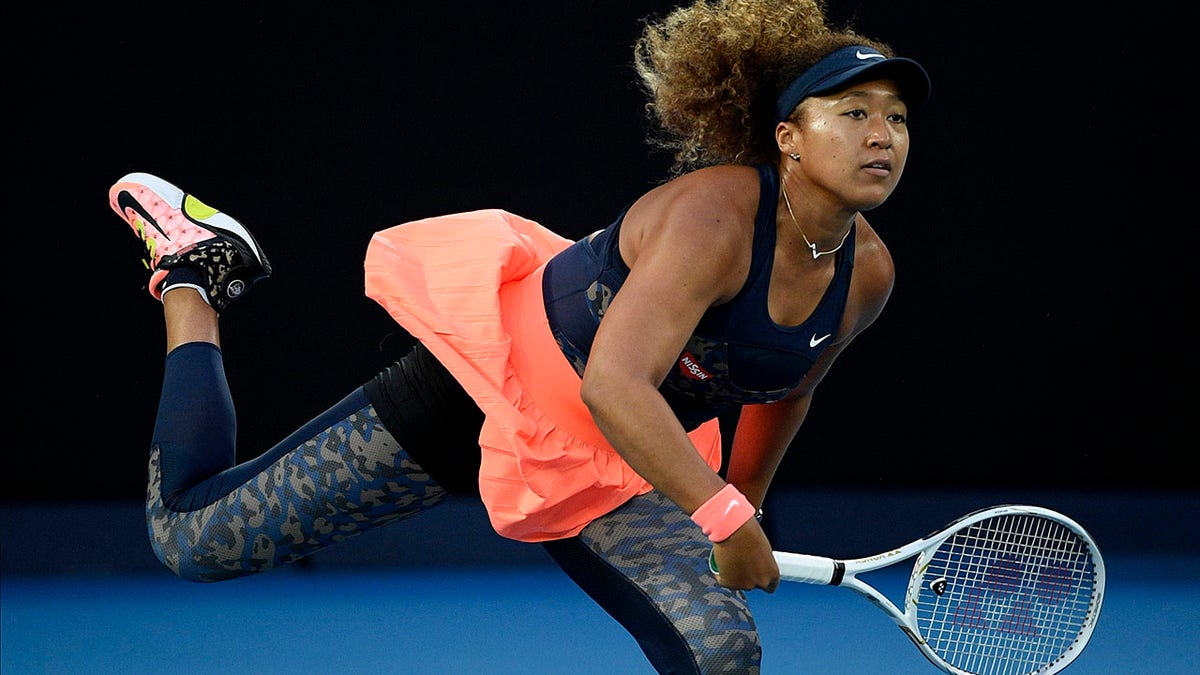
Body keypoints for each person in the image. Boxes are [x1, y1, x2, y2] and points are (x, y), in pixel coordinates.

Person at [108, 0, 930, 672]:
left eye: (895, 118)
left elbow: (788, 383)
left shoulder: (868, 273)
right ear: (788, 137)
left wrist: (745, 500)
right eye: (853, 112)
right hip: (497, 386)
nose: (881, 135)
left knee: (720, 652)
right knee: (194, 539)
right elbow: (615, 381)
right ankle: (197, 273)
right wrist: (720, 515)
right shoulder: (712, 217)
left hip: (621, 463)